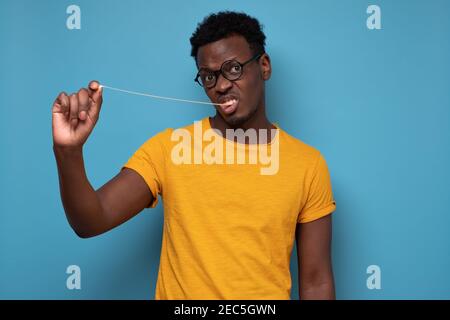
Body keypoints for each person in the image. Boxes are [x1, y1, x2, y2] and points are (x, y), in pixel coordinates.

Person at [52, 11, 337, 300]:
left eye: (233, 69)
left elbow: (316, 283)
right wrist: (68, 151)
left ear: (263, 66)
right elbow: (89, 222)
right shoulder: (170, 149)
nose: (221, 85)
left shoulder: (307, 165)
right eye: (209, 76)